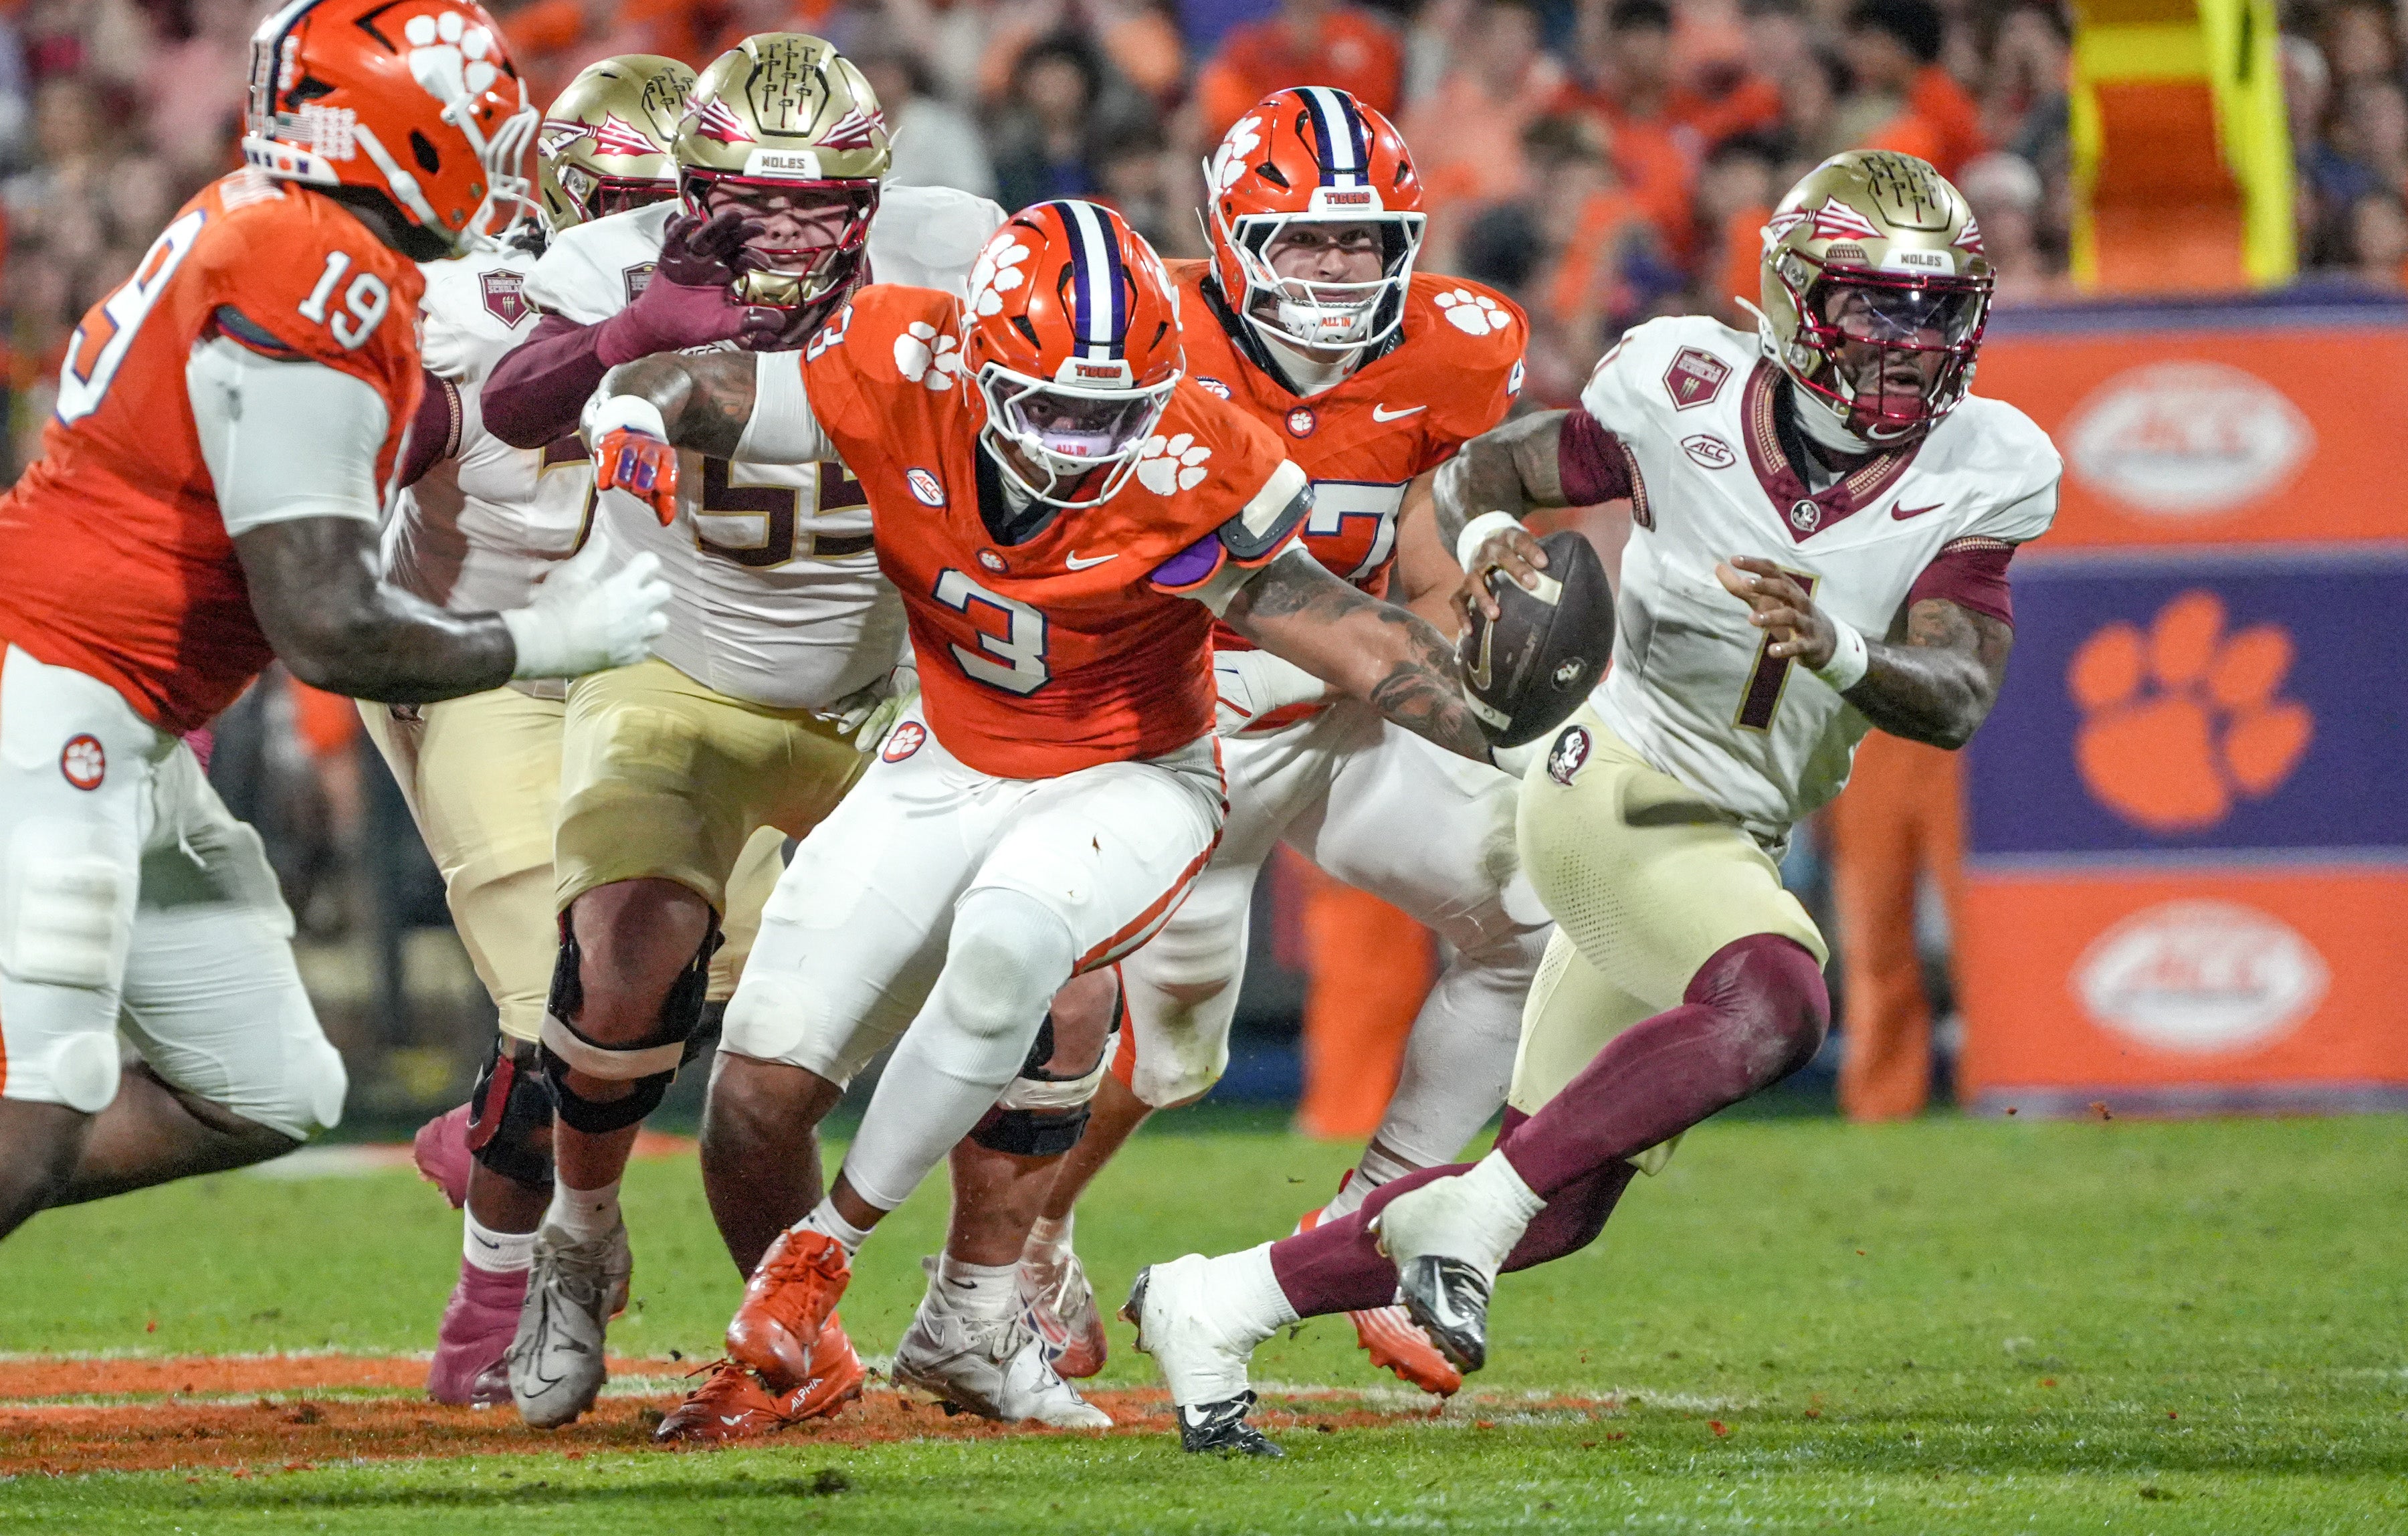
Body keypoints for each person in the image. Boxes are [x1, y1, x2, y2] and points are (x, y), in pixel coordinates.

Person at [1125, 149, 2061, 1455]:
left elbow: (1955, 693)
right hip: (1611, 781)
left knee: (1557, 1195)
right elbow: (1497, 468)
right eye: (1874, 304)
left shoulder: (1987, 462)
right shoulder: (1685, 384)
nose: (1909, 342)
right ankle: (1458, 1218)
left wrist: (1839, 649)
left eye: (1933, 308)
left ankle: (1215, 1298)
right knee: (1781, 997)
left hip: (1725, 830)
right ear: (1798, 301)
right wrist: (1483, 541)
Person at [581, 197, 1496, 1438]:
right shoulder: (901, 362)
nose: (1081, 442)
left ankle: (829, 1254)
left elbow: (1334, 625)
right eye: (1055, 407)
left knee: (1015, 941)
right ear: (978, 363)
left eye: (1115, 414)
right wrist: (631, 411)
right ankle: (898, 1339)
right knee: (750, 1092)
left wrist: (1494, 719)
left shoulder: (1194, 453)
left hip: (1130, 772)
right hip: (944, 756)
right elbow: (703, 384)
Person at [0, 0, 668, 1246]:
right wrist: (547, 640)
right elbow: (322, 621)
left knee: (268, 1085)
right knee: (38, 1107)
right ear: (397, 127)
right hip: (50, 692)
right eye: (473, 111)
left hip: (120, 710)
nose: (494, 137)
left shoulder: (279, 225)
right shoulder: (315, 270)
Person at [472, 33, 1006, 1435]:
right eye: (743, 197)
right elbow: (512, 400)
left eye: (817, 202)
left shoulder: (958, 253)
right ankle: (579, 1242)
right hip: (675, 669)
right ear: (690, 183)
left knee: (1051, 978)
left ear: (878, 194)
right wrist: (637, 331)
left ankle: (1003, 1288)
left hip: (892, 694)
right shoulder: (623, 259)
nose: (777, 231)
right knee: (627, 959)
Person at [1011, 88, 1545, 1402]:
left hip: (1347, 724)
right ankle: (1026, 1237)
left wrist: (1482, 596)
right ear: (1231, 236)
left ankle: (1374, 1220)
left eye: (1362, 243)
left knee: (1532, 915)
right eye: (1301, 240)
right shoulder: (1146, 334)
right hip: (1176, 731)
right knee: (1171, 1054)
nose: (1334, 269)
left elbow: (1416, 551)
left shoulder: (1449, 351)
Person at [358, 52, 695, 1411]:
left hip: (648, 677)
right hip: (473, 664)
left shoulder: (761, 321)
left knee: (677, 989)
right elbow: (331, 488)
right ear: (558, 203)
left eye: (689, 210)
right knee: (550, 999)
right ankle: (488, 1315)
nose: (659, 244)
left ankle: (480, 1134)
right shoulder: (458, 317)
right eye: (630, 209)